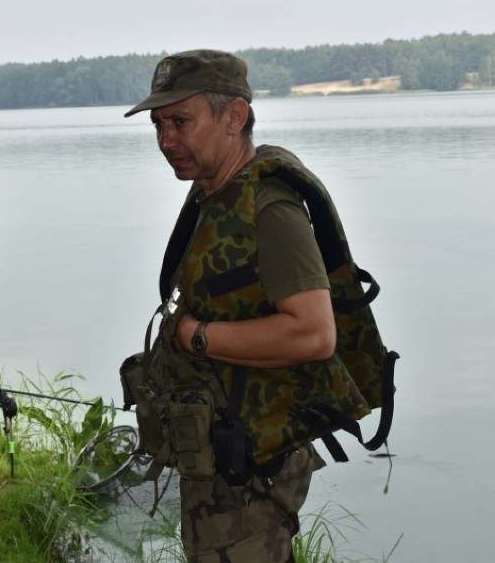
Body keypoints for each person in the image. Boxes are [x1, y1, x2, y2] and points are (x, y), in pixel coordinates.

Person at [124, 50, 374, 562]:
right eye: (159, 125)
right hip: (219, 460)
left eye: (181, 121)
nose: (167, 140)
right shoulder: (213, 192)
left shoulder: (271, 204)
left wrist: (194, 335)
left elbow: (313, 334)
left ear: (234, 116)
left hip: (252, 473)